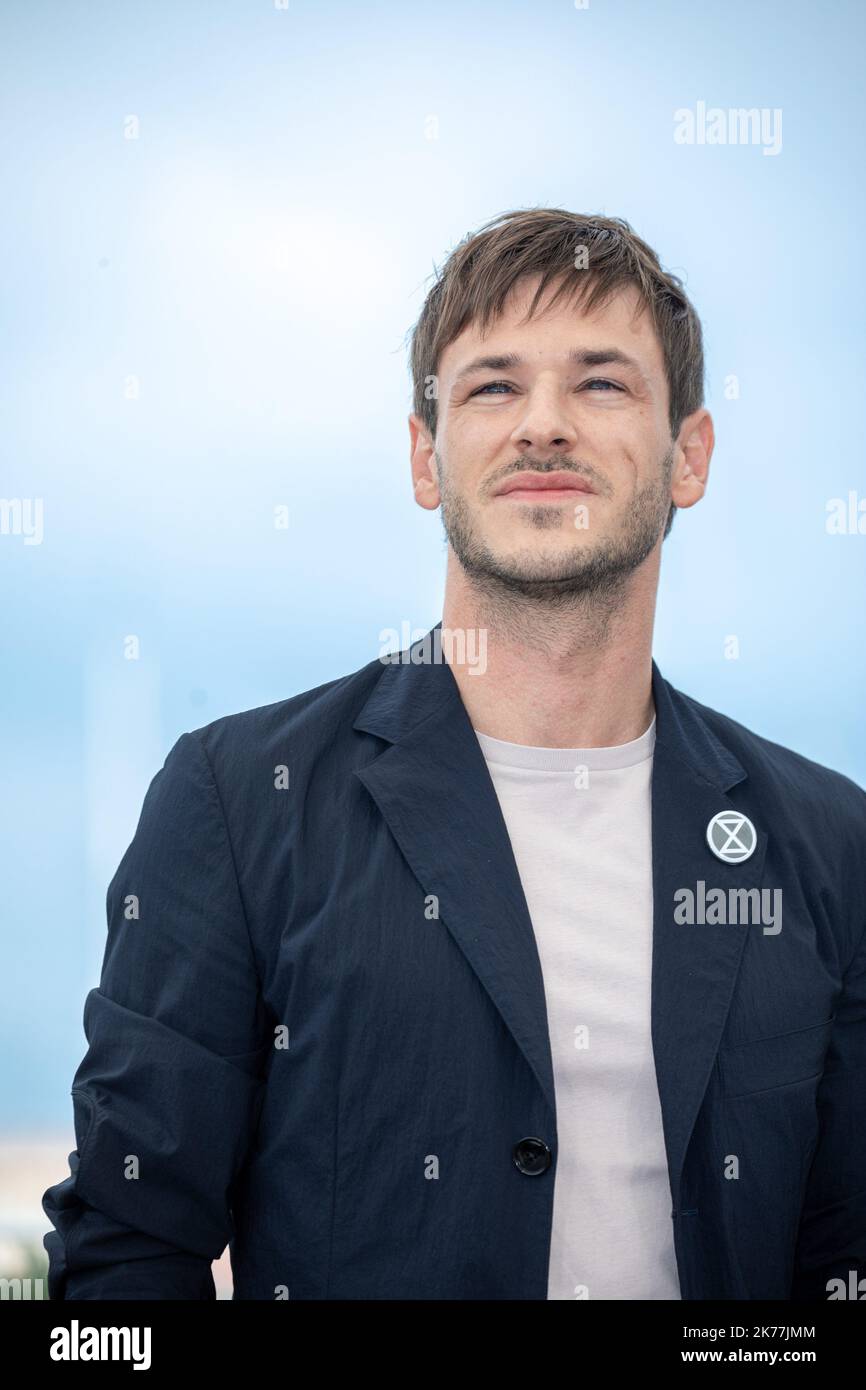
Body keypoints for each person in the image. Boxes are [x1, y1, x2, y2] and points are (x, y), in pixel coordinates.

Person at [43, 209, 866, 1300]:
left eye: (600, 382)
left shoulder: (825, 844)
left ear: (688, 456)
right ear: (425, 457)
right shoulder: (237, 805)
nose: (543, 425)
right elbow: (125, 1252)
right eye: (490, 386)